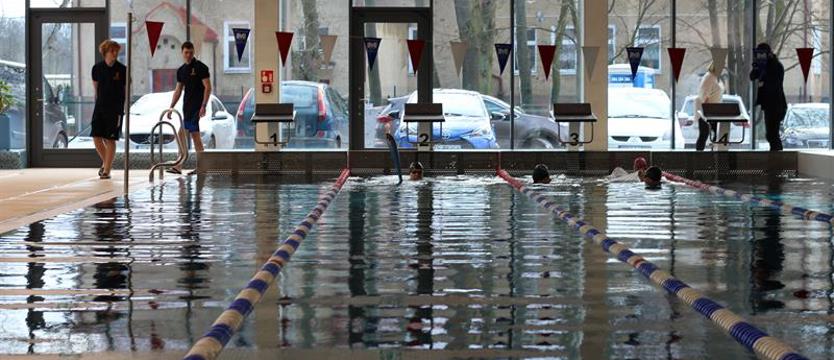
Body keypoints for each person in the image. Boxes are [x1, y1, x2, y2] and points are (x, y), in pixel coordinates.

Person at [167, 41, 212, 174]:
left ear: (193, 52)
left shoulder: (200, 67)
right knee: (181, 134)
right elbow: (178, 90)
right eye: (186, 52)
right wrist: (171, 107)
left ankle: (199, 166)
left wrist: (203, 105)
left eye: (191, 52)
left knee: (195, 136)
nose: (188, 55)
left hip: (196, 108)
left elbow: (208, 87)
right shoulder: (181, 70)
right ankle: (180, 165)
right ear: (182, 53)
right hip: (186, 107)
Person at [90, 40, 127, 180]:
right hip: (100, 107)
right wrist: (98, 104)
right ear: (105, 52)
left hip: (115, 109)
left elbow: (124, 90)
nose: (115, 53)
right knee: (96, 137)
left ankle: (106, 170)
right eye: (112, 51)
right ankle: (107, 164)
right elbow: (96, 88)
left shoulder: (122, 69)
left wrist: (122, 108)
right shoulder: (97, 68)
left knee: (110, 139)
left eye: (117, 51)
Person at [749, 43, 787, 151]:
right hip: (769, 105)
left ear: (769, 53)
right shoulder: (763, 66)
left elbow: (773, 83)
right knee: (770, 134)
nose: (761, 56)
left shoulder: (776, 66)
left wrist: (765, 66)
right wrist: (757, 66)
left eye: (763, 54)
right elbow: (752, 76)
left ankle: (778, 158)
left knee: (772, 134)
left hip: (776, 105)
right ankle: (776, 156)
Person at [695, 62, 724, 151]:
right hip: (707, 111)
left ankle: (714, 153)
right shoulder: (709, 77)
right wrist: (706, 112)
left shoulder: (716, 78)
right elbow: (705, 96)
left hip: (714, 110)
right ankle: (698, 157)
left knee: (715, 134)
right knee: (704, 134)